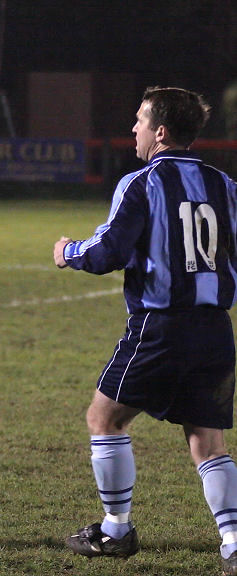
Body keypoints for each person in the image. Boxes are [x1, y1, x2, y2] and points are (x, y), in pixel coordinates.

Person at [53, 87, 237, 575]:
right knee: (207, 441)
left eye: (139, 120)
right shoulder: (224, 184)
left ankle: (115, 531)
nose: (133, 129)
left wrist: (68, 251)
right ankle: (234, 541)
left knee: (105, 419)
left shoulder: (141, 182)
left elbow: (107, 252)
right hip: (216, 329)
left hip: (161, 326)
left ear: (160, 131)